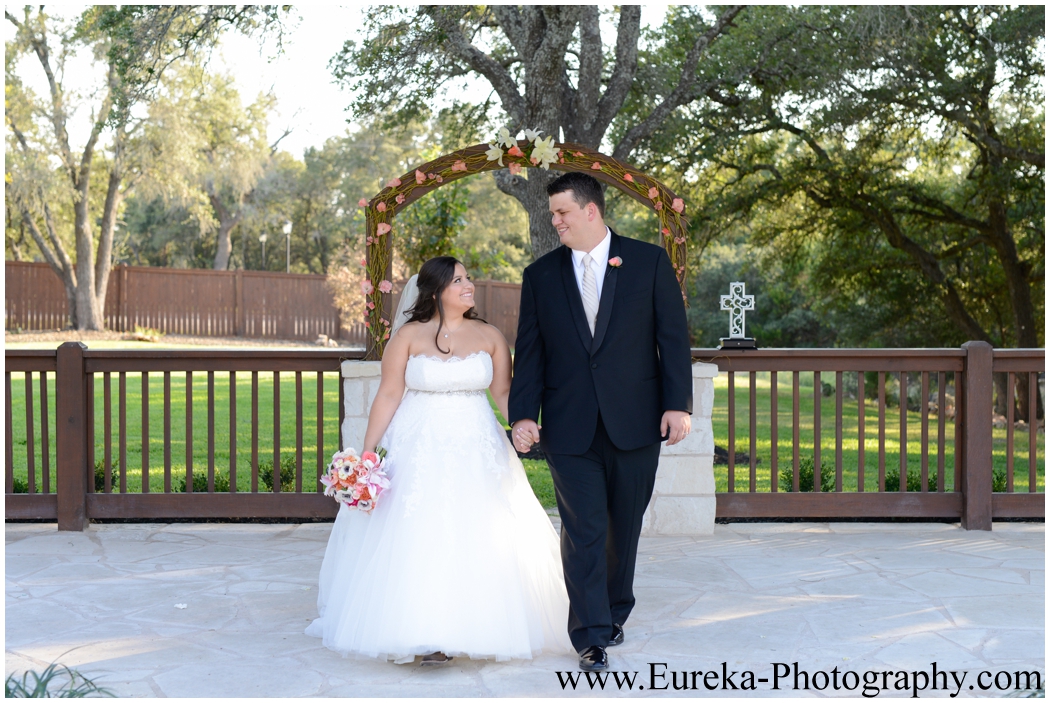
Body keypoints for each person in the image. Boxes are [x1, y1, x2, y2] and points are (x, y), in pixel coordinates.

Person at [306, 256, 573, 664]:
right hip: (420, 444)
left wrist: (520, 423)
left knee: (480, 528)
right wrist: (366, 451)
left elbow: (503, 394)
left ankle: (477, 624)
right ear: (435, 291)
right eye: (459, 280)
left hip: (477, 443)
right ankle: (422, 634)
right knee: (420, 530)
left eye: (469, 278)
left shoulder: (490, 337)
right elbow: (390, 394)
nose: (469, 285)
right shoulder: (409, 337)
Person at [508, 172, 693, 673]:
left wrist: (678, 404)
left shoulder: (649, 263)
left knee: (622, 527)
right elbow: (530, 353)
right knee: (582, 528)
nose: (556, 222)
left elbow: (672, 340)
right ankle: (589, 633)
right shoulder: (541, 275)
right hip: (568, 427)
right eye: (552, 214)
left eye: (562, 213)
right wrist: (524, 414)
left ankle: (613, 610)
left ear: (591, 211)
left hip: (635, 423)